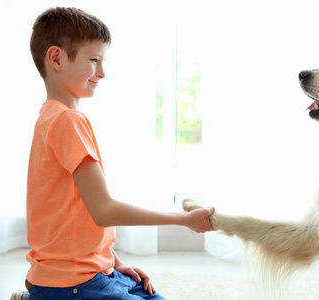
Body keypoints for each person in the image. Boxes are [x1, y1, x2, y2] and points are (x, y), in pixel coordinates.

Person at [24, 7, 215, 300]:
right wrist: (184, 220)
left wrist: (113, 263)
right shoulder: (67, 121)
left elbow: (70, 214)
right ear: (56, 58)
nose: (102, 72)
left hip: (86, 276)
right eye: (93, 60)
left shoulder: (50, 118)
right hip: (73, 286)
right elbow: (103, 211)